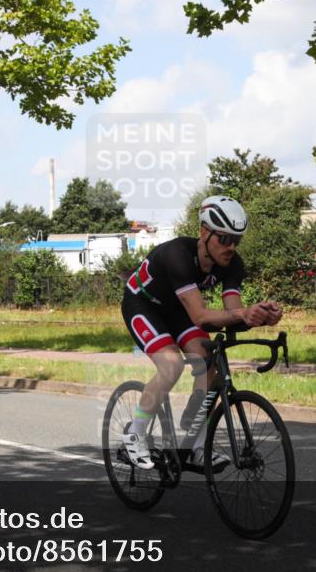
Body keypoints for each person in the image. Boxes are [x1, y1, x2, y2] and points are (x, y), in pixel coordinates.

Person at [120, 196, 282, 470]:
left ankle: (196, 445)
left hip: (178, 309)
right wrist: (243, 314)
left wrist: (259, 317)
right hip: (144, 304)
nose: (231, 247)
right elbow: (200, 317)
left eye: (236, 240)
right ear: (204, 233)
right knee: (171, 365)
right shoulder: (177, 255)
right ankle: (134, 433)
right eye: (224, 239)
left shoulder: (233, 264)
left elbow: (233, 313)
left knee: (208, 361)